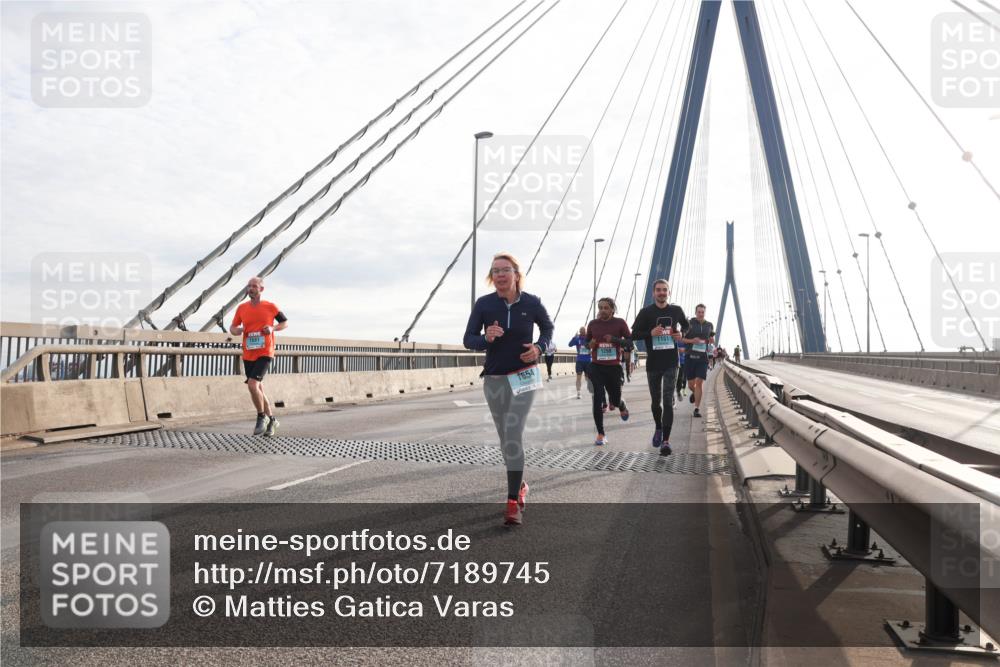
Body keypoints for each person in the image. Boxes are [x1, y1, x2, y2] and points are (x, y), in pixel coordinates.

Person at [464, 252, 553, 527]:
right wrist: (486, 339)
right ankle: (520, 482)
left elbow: (549, 331)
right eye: (496, 271)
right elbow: (469, 339)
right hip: (494, 379)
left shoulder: (532, 303)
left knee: (513, 433)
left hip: (524, 376)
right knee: (506, 439)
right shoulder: (484, 304)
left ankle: (513, 500)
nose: (501, 275)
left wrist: (539, 347)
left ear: (516, 274)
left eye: (506, 270)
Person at [630, 279, 688, 456]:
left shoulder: (676, 310)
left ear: (668, 292)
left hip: (671, 362)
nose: (662, 293)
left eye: (665, 290)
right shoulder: (645, 312)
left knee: (668, 399)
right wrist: (650, 333)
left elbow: (686, 325)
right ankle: (658, 427)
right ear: (653, 293)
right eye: (658, 290)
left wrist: (681, 334)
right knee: (656, 402)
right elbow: (633, 334)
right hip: (653, 364)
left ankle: (666, 441)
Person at [229, 276, 288, 437]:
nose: (251, 288)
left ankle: (261, 417)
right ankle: (272, 419)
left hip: (265, 352)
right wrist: (239, 330)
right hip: (249, 353)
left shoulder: (270, 307)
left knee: (253, 385)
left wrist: (273, 328)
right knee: (259, 388)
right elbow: (232, 328)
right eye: (249, 286)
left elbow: (285, 322)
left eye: (254, 286)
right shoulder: (242, 308)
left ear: (261, 289)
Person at [585, 297, 631, 446]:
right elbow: (587, 344)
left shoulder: (620, 323)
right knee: (597, 398)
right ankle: (601, 433)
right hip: (596, 366)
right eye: (600, 308)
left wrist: (615, 339)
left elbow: (630, 342)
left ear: (612, 309)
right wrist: (590, 344)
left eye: (606, 308)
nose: (602, 310)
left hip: (613, 367)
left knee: (615, 400)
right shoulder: (593, 324)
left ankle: (621, 404)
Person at [682, 304, 715, 419]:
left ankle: (696, 409)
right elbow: (682, 338)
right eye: (699, 312)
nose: (701, 314)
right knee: (691, 384)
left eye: (702, 312)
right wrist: (692, 340)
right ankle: (694, 392)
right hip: (690, 357)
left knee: (699, 383)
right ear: (695, 312)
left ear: (705, 313)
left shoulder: (709, 325)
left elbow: (711, 340)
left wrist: (711, 340)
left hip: (702, 358)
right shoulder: (689, 323)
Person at [568, 326, 591, 399]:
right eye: (581, 331)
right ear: (580, 332)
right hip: (579, 361)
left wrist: (591, 350)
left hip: (588, 361)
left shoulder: (589, 338)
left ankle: (591, 389)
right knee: (578, 377)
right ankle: (578, 393)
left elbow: (595, 345)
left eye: (584, 331)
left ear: (586, 331)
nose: (583, 332)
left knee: (588, 378)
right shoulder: (577, 339)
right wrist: (574, 337)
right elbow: (570, 344)